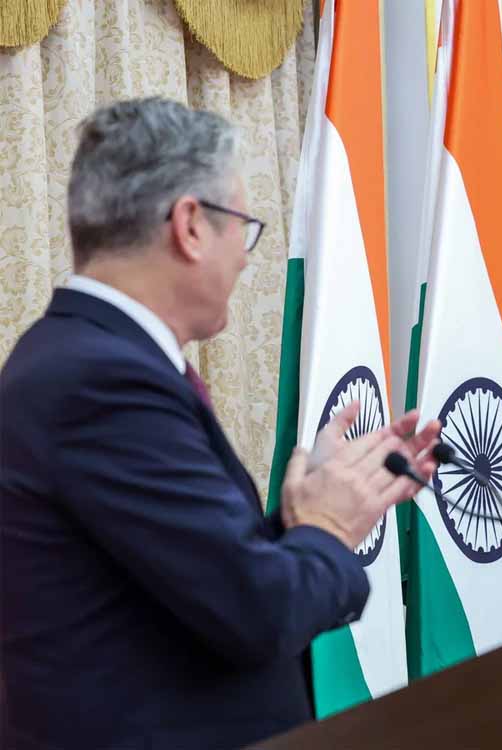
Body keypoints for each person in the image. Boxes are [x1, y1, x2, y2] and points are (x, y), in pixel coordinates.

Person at [0, 97, 439, 750]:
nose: (245, 257)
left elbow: (190, 584)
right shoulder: (102, 380)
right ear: (190, 226)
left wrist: (302, 518)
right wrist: (329, 525)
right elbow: (256, 614)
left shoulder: (85, 360)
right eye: (243, 228)